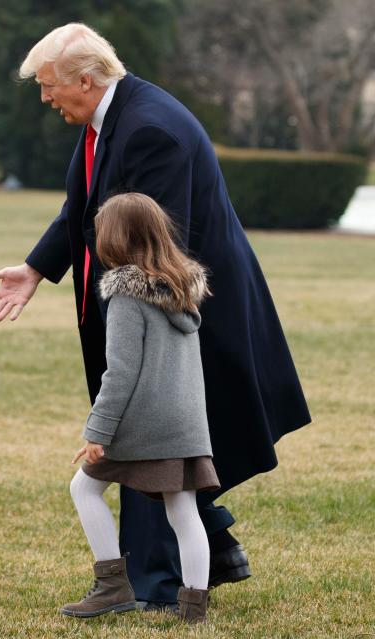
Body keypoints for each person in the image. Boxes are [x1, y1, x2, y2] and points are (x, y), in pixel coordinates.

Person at [0, 23, 311, 607]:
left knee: (147, 438)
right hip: (161, 304)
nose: (44, 97)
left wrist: (129, 346)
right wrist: (36, 269)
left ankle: (150, 584)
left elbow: (157, 248)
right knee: (167, 450)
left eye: (49, 85)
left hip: (184, 312)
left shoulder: (150, 130)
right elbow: (82, 208)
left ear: (86, 80)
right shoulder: (112, 119)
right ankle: (202, 557)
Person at [63, 193, 218, 624]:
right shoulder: (182, 291)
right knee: (184, 510)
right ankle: (194, 608)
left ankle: (112, 586)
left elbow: (121, 373)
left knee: (84, 488)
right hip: (186, 423)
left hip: (145, 422)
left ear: (115, 238)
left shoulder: (127, 298)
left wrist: (97, 431)